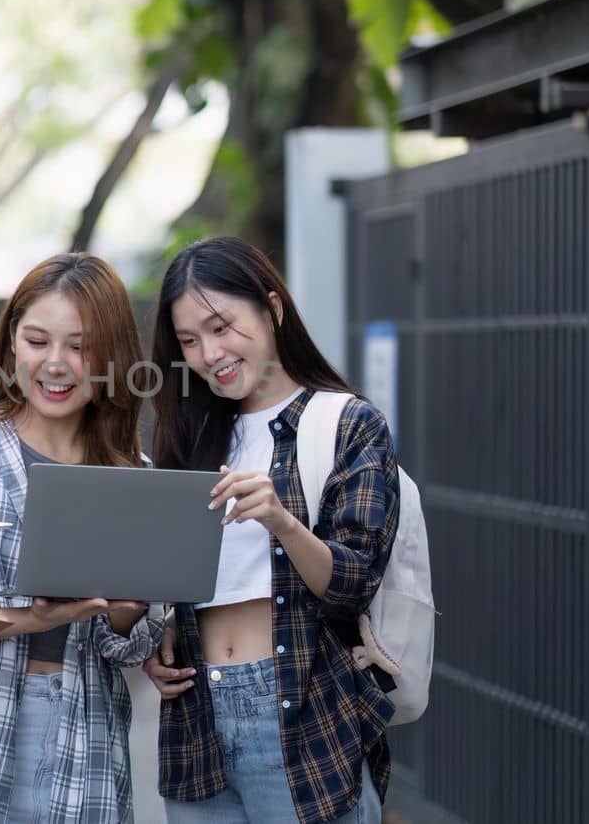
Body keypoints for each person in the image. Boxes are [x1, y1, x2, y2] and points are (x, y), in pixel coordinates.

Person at [143, 237, 399, 824]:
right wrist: (158, 636)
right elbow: (170, 570)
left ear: (273, 308)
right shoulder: (190, 436)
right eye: (188, 341)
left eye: (221, 326)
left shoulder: (347, 424)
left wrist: (282, 519)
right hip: (194, 717)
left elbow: (353, 582)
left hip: (301, 711)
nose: (209, 353)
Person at [0, 253, 166, 823]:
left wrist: (126, 610)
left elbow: (133, 645)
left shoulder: (135, 477)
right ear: (10, 347)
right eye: (37, 341)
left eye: (80, 346)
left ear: (112, 357)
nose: (57, 363)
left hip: (89, 744)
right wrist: (34, 615)